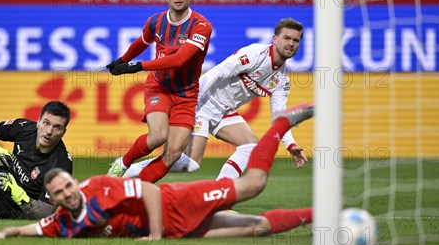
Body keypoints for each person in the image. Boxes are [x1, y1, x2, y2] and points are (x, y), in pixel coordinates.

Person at [0, 102, 314, 240]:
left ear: (74, 181)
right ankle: (321, 213)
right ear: (54, 198)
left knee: (254, 184)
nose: (68, 192)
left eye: (69, 185)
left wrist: (154, 236)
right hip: (176, 229)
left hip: (177, 202)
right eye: (61, 193)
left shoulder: (98, 188)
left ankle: (280, 125)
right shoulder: (64, 221)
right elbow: (32, 229)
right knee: (255, 229)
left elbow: (151, 191)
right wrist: (3, 234)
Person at [124, 18, 307, 182]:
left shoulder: (281, 81)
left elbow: (280, 117)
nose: (291, 43)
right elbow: (218, 72)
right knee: (191, 163)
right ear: (275, 39)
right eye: (286, 38)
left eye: (296, 40)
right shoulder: (256, 54)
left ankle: (220, 196)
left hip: (223, 112)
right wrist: (191, 99)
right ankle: (132, 170)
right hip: (202, 103)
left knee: (252, 146)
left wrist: (290, 145)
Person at [105, 0, 213, 184]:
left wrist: (136, 66)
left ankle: (136, 191)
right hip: (159, 87)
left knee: (173, 152)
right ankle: (123, 164)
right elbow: (142, 42)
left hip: (186, 95)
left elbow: (179, 59)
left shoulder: (202, 26)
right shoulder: (155, 22)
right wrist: (122, 59)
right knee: (158, 136)